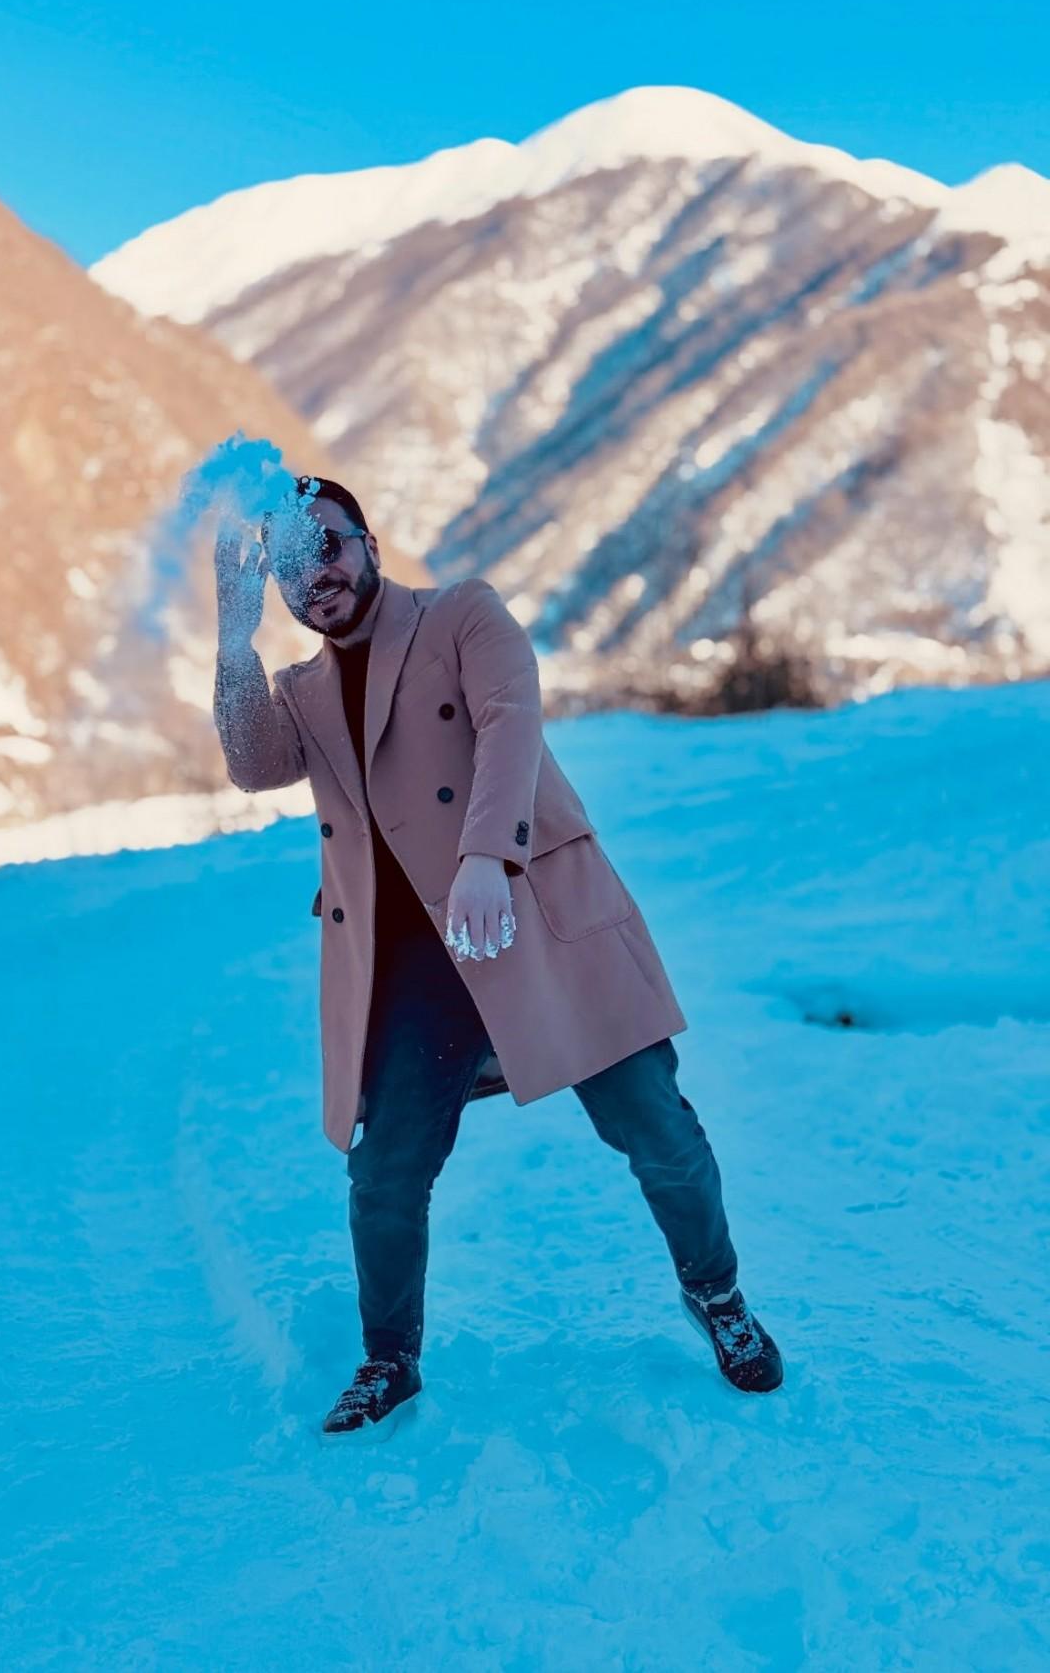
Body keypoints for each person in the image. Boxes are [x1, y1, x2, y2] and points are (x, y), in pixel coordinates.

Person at [212, 474, 782, 1436]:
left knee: (658, 1130)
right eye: (291, 566)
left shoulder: (462, 616)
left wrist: (487, 857)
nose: (316, 576)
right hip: (411, 968)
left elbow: (510, 722)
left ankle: (718, 1297)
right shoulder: (301, 692)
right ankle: (388, 1359)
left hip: (536, 920)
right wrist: (234, 642)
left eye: (329, 546)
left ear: (369, 544)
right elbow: (252, 763)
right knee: (385, 1174)